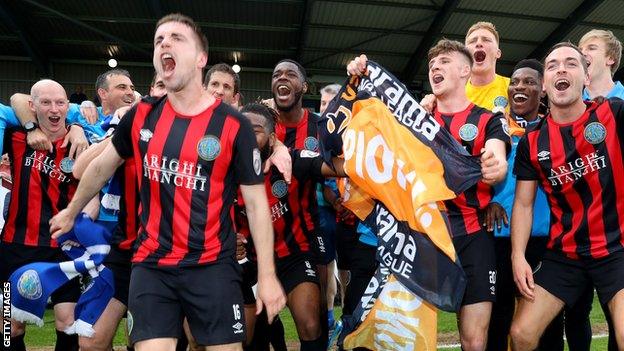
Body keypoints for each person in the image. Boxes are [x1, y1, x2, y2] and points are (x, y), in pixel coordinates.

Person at [49, 13, 285, 351]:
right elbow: (102, 166)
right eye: (159, 40)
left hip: (212, 267)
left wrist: (267, 275)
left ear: (201, 58)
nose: (165, 44)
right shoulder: (143, 114)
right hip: (152, 265)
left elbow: (258, 205)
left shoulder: (234, 126)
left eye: (177, 38)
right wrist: (72, 210)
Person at [346, 39, 509, 351]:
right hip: (422, 240)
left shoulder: (488, 118)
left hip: (473, 236)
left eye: (445, 62)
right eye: (433, 64)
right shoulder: (410, 121)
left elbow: (497, 157)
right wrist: (360, 75)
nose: (436, 67)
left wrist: (494, 165)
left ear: (465, 70)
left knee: (474, 341)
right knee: (410, 336)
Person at [510, 42, 624, 351]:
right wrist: (518, 255)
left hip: (617, 248)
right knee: (521, 335)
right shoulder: (531, 142)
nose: (562, 68)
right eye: (552, 65)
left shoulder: (612, 113)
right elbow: (523, 203)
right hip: (566, 254)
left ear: (586, 78)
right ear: (544, 85)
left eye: (572, 63)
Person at [235, 102, 345, 350]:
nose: (247, 136)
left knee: (310, 324)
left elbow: (336, 167)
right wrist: (231, 239)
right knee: (248, 339)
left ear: (272, 138)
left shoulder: (291, 161)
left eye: (255, 130)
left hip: (293, 256)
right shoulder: (225, 173)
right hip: (251, 264)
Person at [0, 79, 99, 351]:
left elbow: (96, 190)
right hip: (16, 247)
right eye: (45, 103)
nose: (54, 109)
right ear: (33, 108)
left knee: (67, 322)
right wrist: (30, 126)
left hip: (64, 248)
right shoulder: (16, 136)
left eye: (60, 103)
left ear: (68, 106)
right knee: (9, 324)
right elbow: (14, 100)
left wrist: (78, 126)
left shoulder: (84, 141)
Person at [482, 59, 566, 351]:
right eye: (515, 81)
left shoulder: (553, 128)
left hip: (544, 239)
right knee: (498, 319)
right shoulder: (495, 128)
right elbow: (473, 173)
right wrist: (488, 201)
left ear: (542, 90)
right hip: (499, 238)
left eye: (529, 82)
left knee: (546, 325)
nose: (519, 86)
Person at [579, 28, 623, 351]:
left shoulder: (623, 103)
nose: (583, 52)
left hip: (618, 232)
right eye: (580, 47)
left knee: (616, 318)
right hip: (575, 232)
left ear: (610, 58)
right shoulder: (565, 104)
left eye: (591, 47)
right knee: (575, 313)